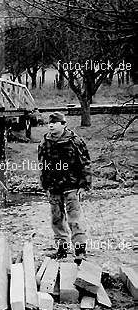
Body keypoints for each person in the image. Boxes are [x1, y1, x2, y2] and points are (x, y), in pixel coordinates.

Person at [37, 111, 92, 263]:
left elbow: (85, 163)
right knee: (56, 219)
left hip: (71, 186)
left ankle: (80, 250)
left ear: (63, 124)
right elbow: (42, 166)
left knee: (75, 219)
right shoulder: (44, 143)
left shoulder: (75, 141)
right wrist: (45, 186)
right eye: (50, 123)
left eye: (55, 123)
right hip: (54, 187)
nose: (51, 125)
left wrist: (84, 185)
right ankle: (62, 249)